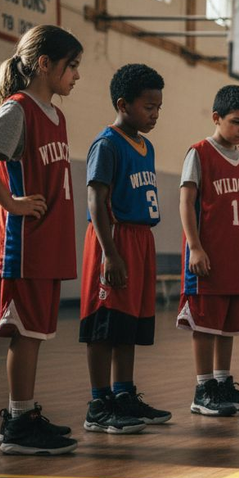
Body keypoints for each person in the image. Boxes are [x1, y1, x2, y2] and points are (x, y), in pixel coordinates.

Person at [0, 25, 83, 455]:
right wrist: (11, 203)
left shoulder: (56, 116)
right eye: (72, 66)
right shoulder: (18, 109)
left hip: (46, 241)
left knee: (35, 333)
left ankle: (25, 414)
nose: (76, 75)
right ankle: (17, 423)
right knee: (25, 334)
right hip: (21, 244)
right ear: (44, 64)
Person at [79, 64, 172, 435]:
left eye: (159, 107)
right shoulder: (107, 143)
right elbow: (95, 199)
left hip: (140, 238)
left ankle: (123, 394)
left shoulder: (146, 146)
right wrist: (110, 252)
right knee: (104, 324)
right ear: (123, 104)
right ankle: (99, 404)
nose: (155, 114)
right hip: (114, 238)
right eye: (149, 107)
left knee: (127, 323)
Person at [178, 85, 239, 417]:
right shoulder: (199, 153)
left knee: (229, 324)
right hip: (208, 256)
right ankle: (203, 388)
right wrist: (195, 247)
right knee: (206, 324)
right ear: (216, 117)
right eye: (236, 122)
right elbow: (186, 202)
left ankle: (223, 382)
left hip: (236, 255)